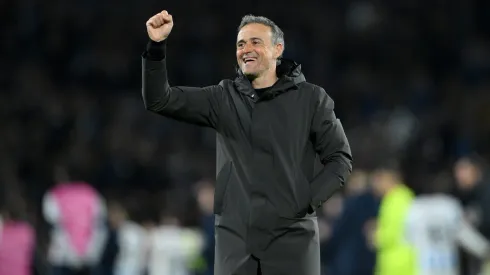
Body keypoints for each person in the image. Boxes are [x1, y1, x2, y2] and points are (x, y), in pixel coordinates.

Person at [142, 10, 353, 275]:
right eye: (241, 44)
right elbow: (159, 100)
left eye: (255, 42)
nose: (246, 49)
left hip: (292, 240)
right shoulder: (223, 98)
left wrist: (306, 201)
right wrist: (156, 47)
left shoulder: (311, 99)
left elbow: (340, 159)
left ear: (278, 49)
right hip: (236, 241)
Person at [405, 173, 490, 275]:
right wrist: (484, 249)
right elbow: (465, 236)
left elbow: (408, 239)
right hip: (447, 267)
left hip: (423, 268)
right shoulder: (451, 206)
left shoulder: (415, 207)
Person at [368, 164, 415, 275]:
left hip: (396, 265)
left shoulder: (395, 200)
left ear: (388, 179)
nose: (375, 185)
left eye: (378, 180)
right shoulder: (405, 196)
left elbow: (392, 233)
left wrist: (374, 235)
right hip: (403, 262)